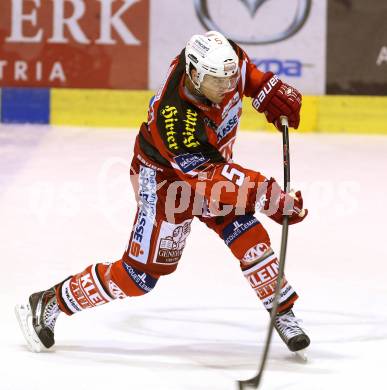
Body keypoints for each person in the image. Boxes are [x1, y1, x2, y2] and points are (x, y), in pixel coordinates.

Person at [15, 31, 310, 354]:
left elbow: (244, 75)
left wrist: (264, 87)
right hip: (162, 181)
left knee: (247, 235)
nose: (228, 87)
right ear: (194, 75)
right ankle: (49, 301)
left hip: (208, 169)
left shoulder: (220, 62)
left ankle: (282, 312)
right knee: (138, 276)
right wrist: (269, 196)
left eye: (230, 79)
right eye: (219, 81)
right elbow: (211, 180)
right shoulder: (176, 120)